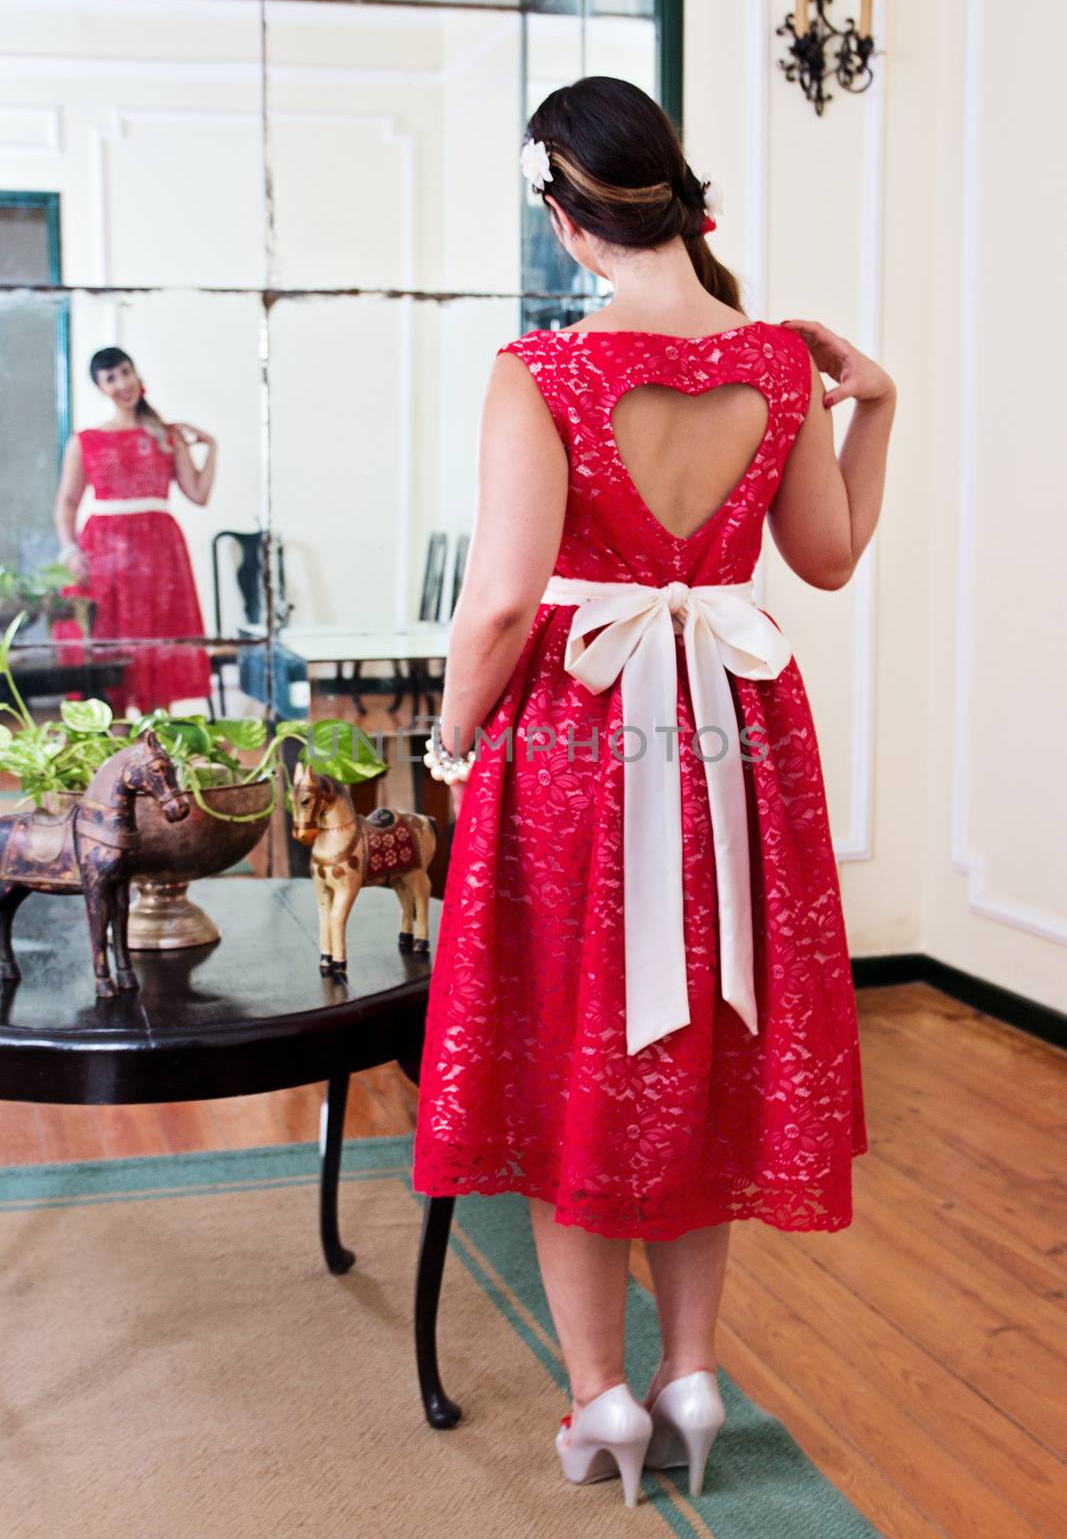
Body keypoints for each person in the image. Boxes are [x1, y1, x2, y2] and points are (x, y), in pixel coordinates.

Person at [411, 75, 896, 1506]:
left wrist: (447, 744)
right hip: (734, 746)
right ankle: (689, 1374)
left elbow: (498, 609)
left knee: (577, 1062)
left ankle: (598, 1398)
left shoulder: (540, 371)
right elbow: (826, 555)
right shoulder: (772, 362)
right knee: (699, 1047)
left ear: (562, 218)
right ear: (678, 196)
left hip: (579, 742)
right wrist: (876, 404)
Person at [52, 347, 215, 715]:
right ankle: (115, 734)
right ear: (100, 387)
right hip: (105, 550)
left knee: (158, 636)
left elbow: (198, 494)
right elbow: (67, 502)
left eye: (126, 372)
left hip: (159, 549)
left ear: (137, 375)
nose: (122, 382)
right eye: (111, 378)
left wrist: (212, 448)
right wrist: (69, 550)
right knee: (111, 639)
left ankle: (156, 739)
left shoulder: (166, 436)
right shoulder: (85, 441)